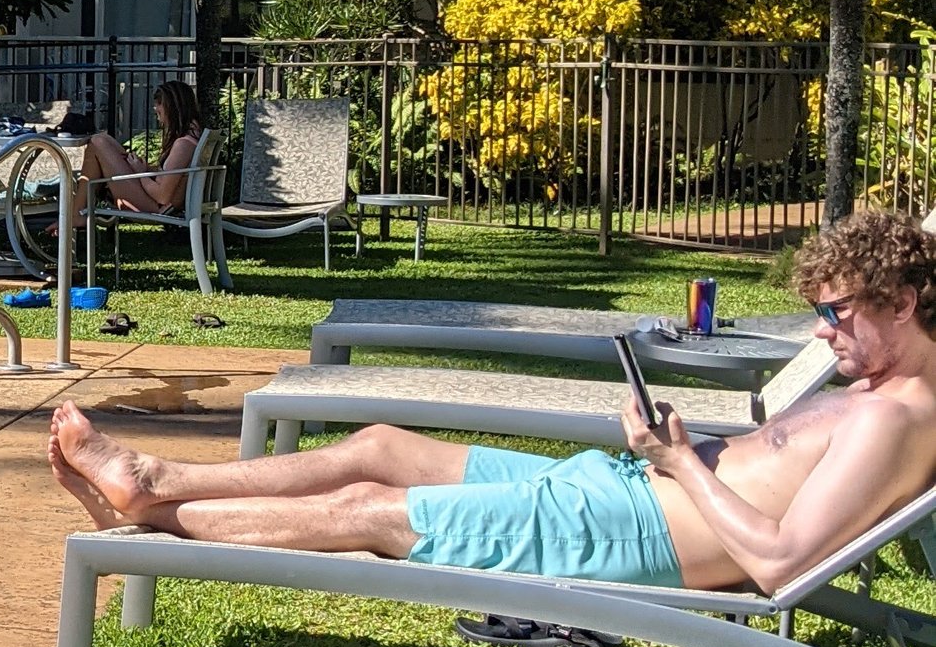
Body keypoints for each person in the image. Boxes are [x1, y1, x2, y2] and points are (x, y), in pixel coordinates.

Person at [49, 206, 936, 597]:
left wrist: (679, 466)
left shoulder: (896, 416)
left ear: (903, 303)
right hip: (628, 495)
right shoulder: (877, 388)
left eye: (837, 312)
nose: (823, 332)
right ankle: (160, 472)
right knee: (381, 443)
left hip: (639, 534)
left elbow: (780, 560)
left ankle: (155, 511)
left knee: (375, 510)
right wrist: (684, 452)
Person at [81, 80, 203, 215]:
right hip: (157, 202)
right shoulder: (193, 137)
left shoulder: (184, 144)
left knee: (98, 142)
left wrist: (140, 172)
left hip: (158, 207)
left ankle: (76, 214)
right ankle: (77, 212)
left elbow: (162, 196)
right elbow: (172, 177)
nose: (155, 108)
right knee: (104, 140)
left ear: (173, 106)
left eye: (160, 103)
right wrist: (146, 169)